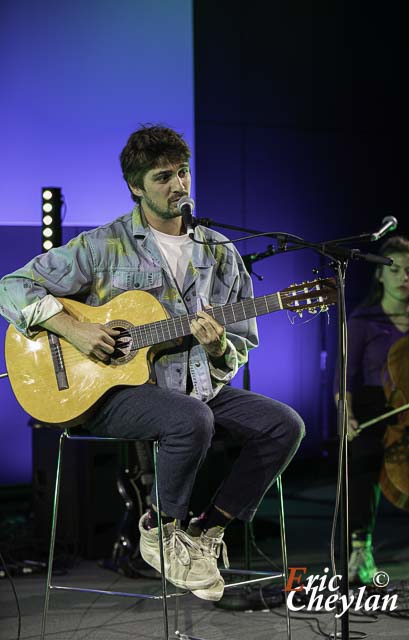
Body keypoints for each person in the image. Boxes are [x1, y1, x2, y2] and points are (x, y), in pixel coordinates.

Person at [0, 124, 305, 601]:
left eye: (183, 173)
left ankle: (206, 532)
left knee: (283, 425)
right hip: (106, 392)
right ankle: (160, 529)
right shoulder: (105, 244)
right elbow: (10, 287)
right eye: (163, 177)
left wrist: (216, 346)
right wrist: (76, 329)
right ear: (135, 186)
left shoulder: (220, 252)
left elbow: (240, 343)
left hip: (194, 387)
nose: (178, 185)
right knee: (191, 418)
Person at [335, 236, 409, 585]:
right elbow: (345, 374)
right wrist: (346, 412)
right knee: (361, 459)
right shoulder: (363, 320)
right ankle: (361, 545)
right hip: (374, 403)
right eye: (397, 270)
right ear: (381, 276)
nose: (405, 277)